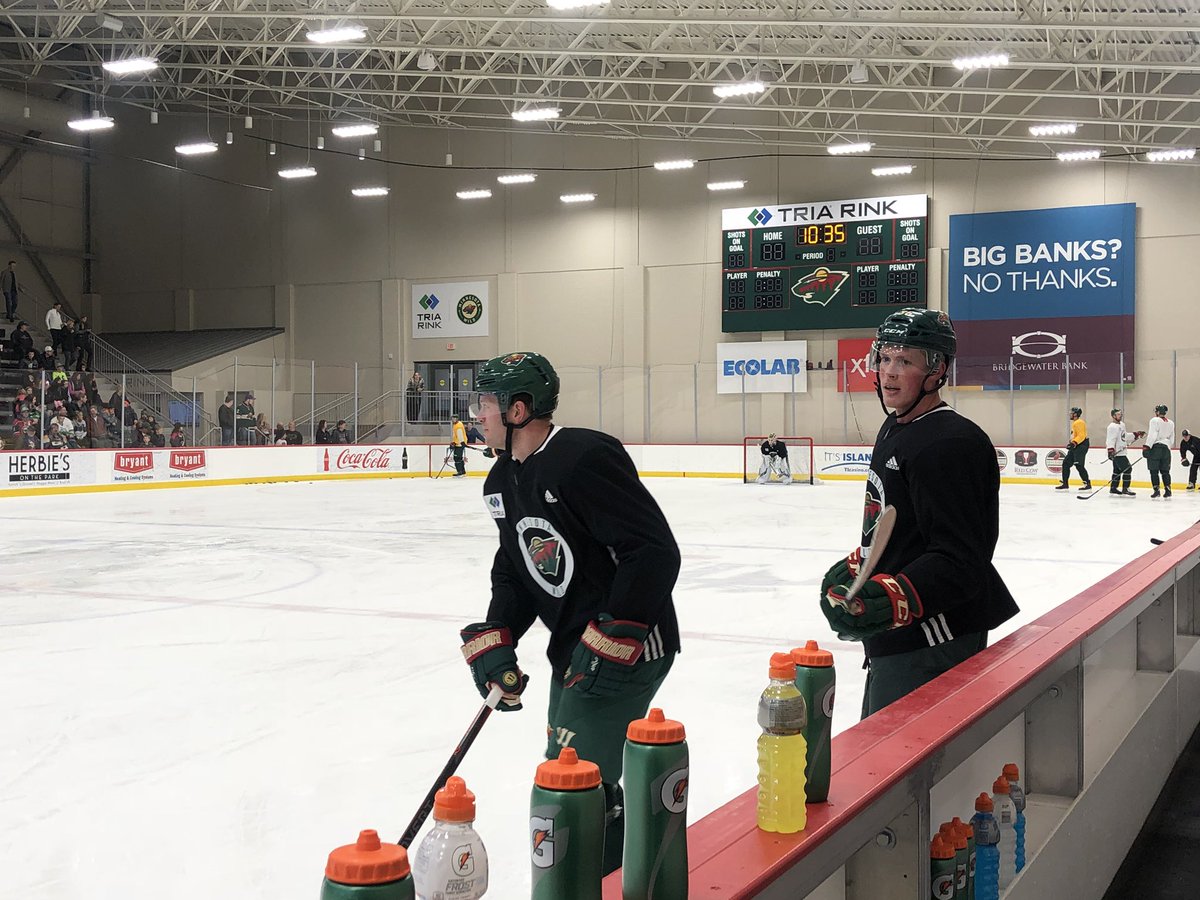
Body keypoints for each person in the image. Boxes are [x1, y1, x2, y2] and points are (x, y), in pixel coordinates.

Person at [459, 351, 680, 875]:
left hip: (628, 647)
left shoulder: (580, 457)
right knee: (572, 772)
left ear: (518, 411)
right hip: (574, 651)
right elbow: (516, 569)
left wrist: (617, 632)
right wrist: (499, 634)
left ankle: (605, 880)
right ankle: (613, 876)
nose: (476, 414)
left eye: (485, 403)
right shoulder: (501, 481)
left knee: (573, 780)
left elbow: (651, 550)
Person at [819, 309, 1018, 719]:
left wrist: (896, 597)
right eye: (885, 358)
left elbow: (961, 559)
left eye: (905, 361)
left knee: (901, 768)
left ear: (936, 371)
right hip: (899, 639)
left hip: (933, 642)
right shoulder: (897, 428)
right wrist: (864, 568)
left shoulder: (949, 443)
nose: (889, 373)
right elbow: (900, 527)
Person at [1106, 408, 1143, 497]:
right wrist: (1110, 450)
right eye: (1118, 414)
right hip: (1117, 453)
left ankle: (1113, 488)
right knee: (1128, 469)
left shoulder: (1122, 425)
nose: (1120, 415)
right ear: (1113, 416)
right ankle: (1125, 488)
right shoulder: (1112, 427)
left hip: (1122, 451)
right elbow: (1110, 439)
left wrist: (1136, 434)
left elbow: (1124, 436)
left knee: (1117, 470)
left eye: (1120, 414)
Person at [1055, 407, 1091, 491]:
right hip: (1076, 445)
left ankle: (1087, 484)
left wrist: (1074, 443)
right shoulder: (1075, 423)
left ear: (1075, 414)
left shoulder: (1079, 422)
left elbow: (1081, 435)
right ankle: (1065, 483)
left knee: (1079, 465)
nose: (1070, 414)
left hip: (1081, 445)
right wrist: (1072, 443)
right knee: (1066, 463)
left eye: (1071, 413)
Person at [1145, 404, 1175, 499]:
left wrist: (1147, 446)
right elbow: (1172, 437)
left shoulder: (1154, 420)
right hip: (1166, 449)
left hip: (1156, 448)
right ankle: (1168, 489)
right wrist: (1168, 446)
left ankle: (1156, 490)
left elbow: (1153, 434)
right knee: (1165, 471)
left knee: (1154, 471)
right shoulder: (1171, 422)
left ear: (1158, 412)